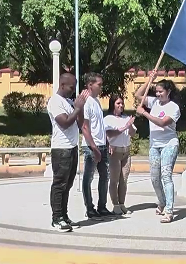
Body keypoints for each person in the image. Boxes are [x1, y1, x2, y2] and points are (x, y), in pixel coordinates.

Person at [135, 70, 181, 223]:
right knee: (154, 177)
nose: (158, 94)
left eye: (161, 91)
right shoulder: (154, 102)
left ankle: (169, 210)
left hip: (169, 144)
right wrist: (149, 80)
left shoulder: (173, 107)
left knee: (166, 175)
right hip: (154, 145)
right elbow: (138, 95)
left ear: (168, 92)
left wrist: (144, 113)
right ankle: (161, 201)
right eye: (156, 91)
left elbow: (162, 123)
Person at [47, 73, 90, 232]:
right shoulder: (55, 101)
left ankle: (64, 215)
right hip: (61, 149)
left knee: (68, 184)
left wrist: (80, 107)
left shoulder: (69, 101)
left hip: (72, 147)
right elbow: (64, 123)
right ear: (62, 85)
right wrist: (77, 107)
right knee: (60, 184)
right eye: (71, 87)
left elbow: (79, 122)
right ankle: (56, 218)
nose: (73, 90)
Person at [81, 73, 112, 220]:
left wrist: (106, 141)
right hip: (91, 147)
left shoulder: (96, 101)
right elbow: (85, 127)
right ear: (90, 85)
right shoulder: (86, 102)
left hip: (102, 144)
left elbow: (100, 126)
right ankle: (90, 208)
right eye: (99, 84)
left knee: (105, 177)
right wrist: (94, 148)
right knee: (88, 178)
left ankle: (102, 206)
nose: (101, 87)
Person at [103, 95, 136, 215]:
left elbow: (132, 134)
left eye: (122, 103)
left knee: (124, 179)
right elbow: (110, 134)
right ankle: (115, 204)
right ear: (113, 105)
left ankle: (122, 203)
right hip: (114, 152)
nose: (121, 105)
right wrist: (124, 127)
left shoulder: (126, 117)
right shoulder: (108, 119)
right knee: (114, 179)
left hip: (126, 152)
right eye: (118, 103)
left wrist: (130, 125)